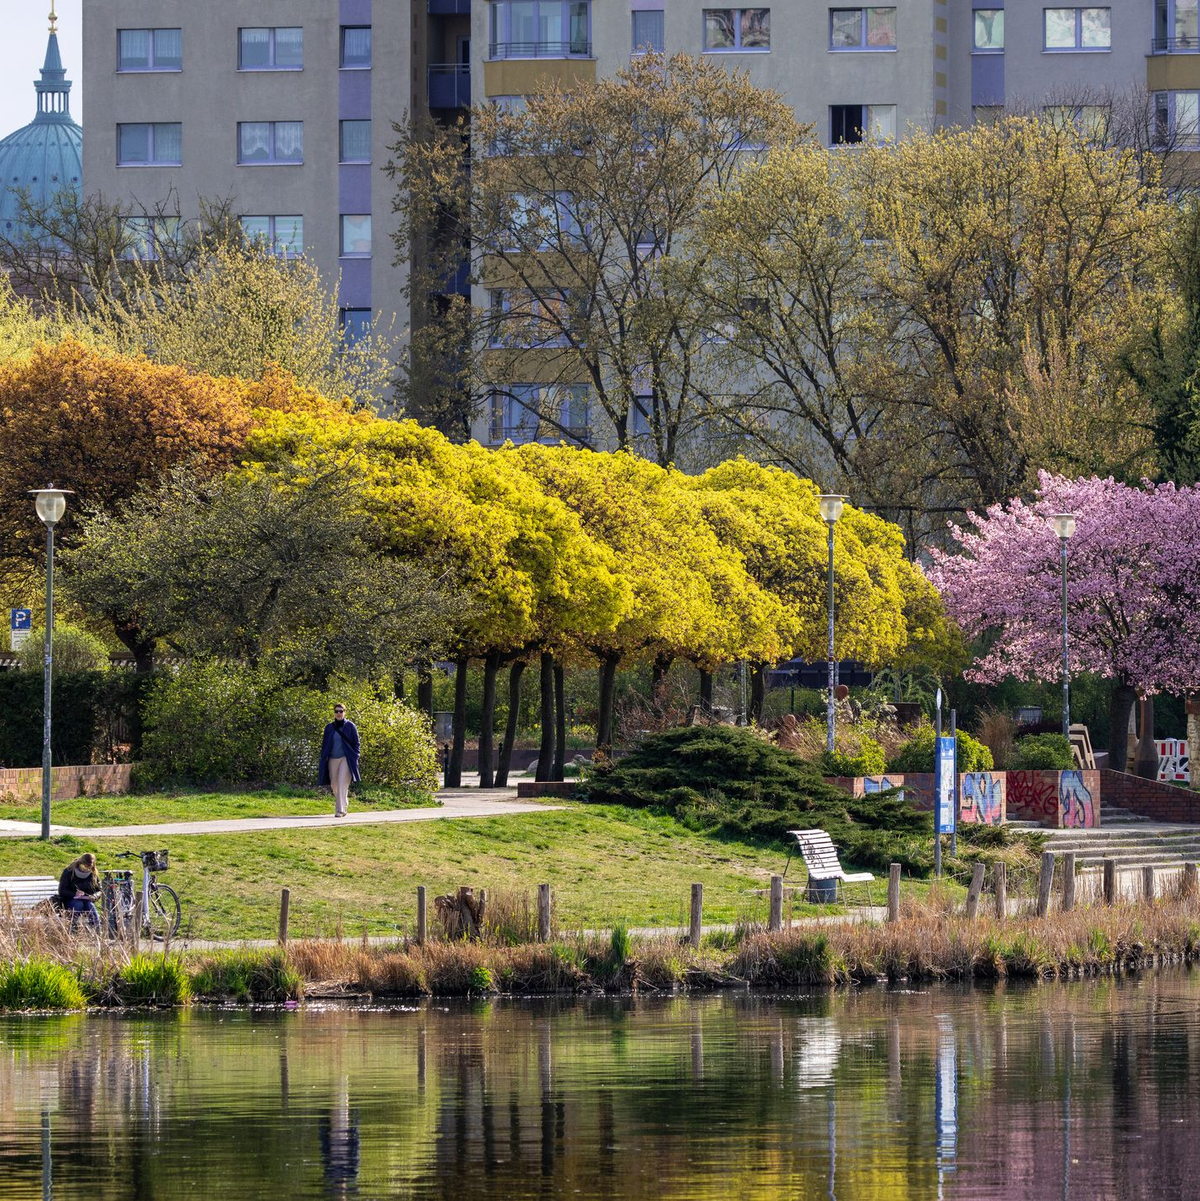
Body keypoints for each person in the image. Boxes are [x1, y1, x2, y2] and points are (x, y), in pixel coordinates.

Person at [318, 703, 361, 817]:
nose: (338, 713)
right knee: (334, 785)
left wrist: (355, 756)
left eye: (341, 711)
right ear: (334, 713)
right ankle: (344, 801)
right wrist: (323, 759)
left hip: (346, 759)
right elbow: (325, 745)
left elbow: (356, 743)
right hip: (332, 759)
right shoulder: (329, 727)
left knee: (342, 783)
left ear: (344, 712)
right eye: (336, 711)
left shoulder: (350, 726)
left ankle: (340, 810)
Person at [57, 852, 101, 927]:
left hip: (87, 901)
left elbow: (99, 890)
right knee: (78, 904)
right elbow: (62, 890)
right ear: (80, 864)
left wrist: (94, 896)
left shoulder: (93, 874)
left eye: (88, 868)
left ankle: (97, 928)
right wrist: (74, 894)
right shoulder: (69, 872)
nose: (85, 870)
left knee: (90, 905)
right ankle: (71, 927)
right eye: (84, 867)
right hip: (69, 901)